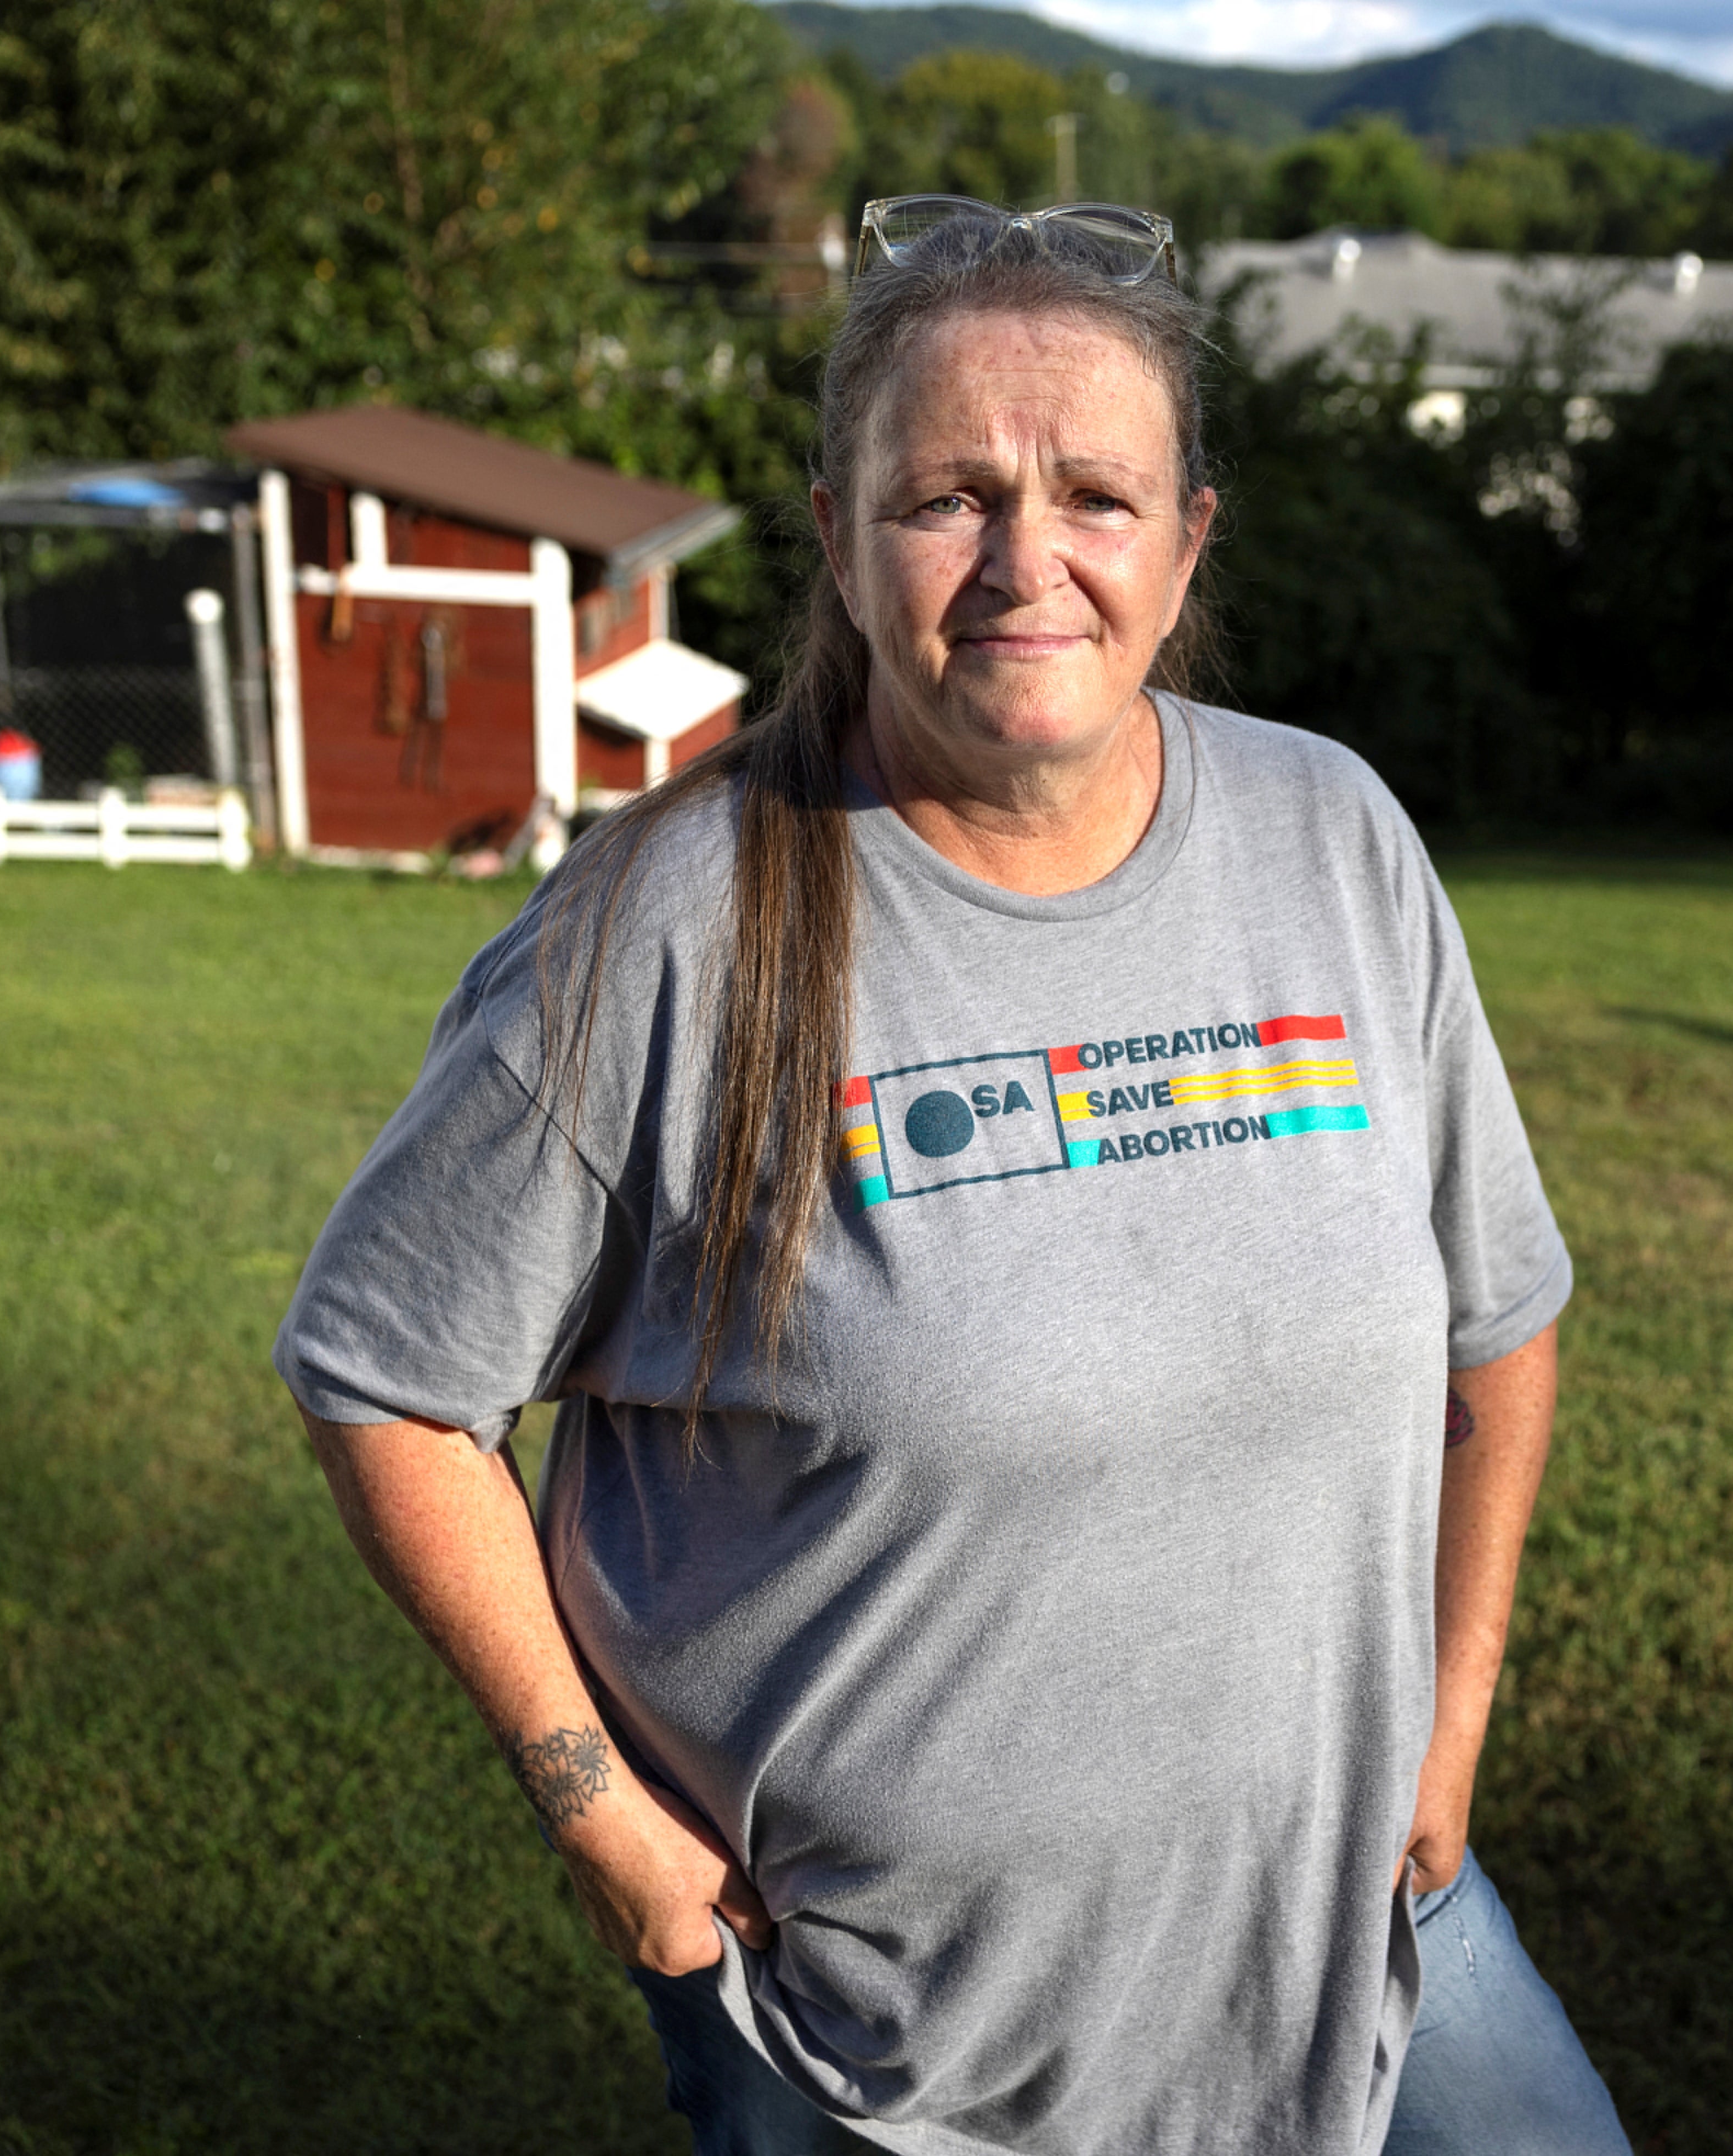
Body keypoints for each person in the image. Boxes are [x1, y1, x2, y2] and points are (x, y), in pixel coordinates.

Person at [275, 195, 1630, 2155]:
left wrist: (1454, 1721)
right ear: (836, 537)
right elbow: (386, 1376)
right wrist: (605, 1825)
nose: (1029, 560)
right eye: (948, 496)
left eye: (1096, 493)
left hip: (1365, 1934)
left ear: (1186, 542)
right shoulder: (664, 926)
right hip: (893, 2048)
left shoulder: (1334, 839)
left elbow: (1499, 1329)